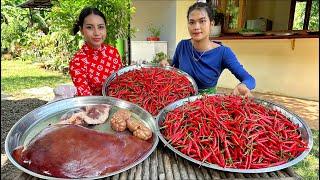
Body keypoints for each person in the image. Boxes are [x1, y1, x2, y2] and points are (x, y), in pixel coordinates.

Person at [160, 2, 255, 97]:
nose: (196, 27)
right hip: (179, 100)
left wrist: (242, 85)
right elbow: (174, 67)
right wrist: (166, 64)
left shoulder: (223, 52)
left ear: (211, 24)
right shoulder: (182, 45)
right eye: (192, 22)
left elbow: (249, 79)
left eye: (202, 21)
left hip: (205, 106)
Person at [69, 7, 123, 96]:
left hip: (120, 103)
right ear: (82, 30)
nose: (97, 33)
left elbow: (122, 80)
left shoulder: (113, 52)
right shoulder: (77, 62)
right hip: (95, 107)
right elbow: (87, 99)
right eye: (90, 27)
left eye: (101, 27)